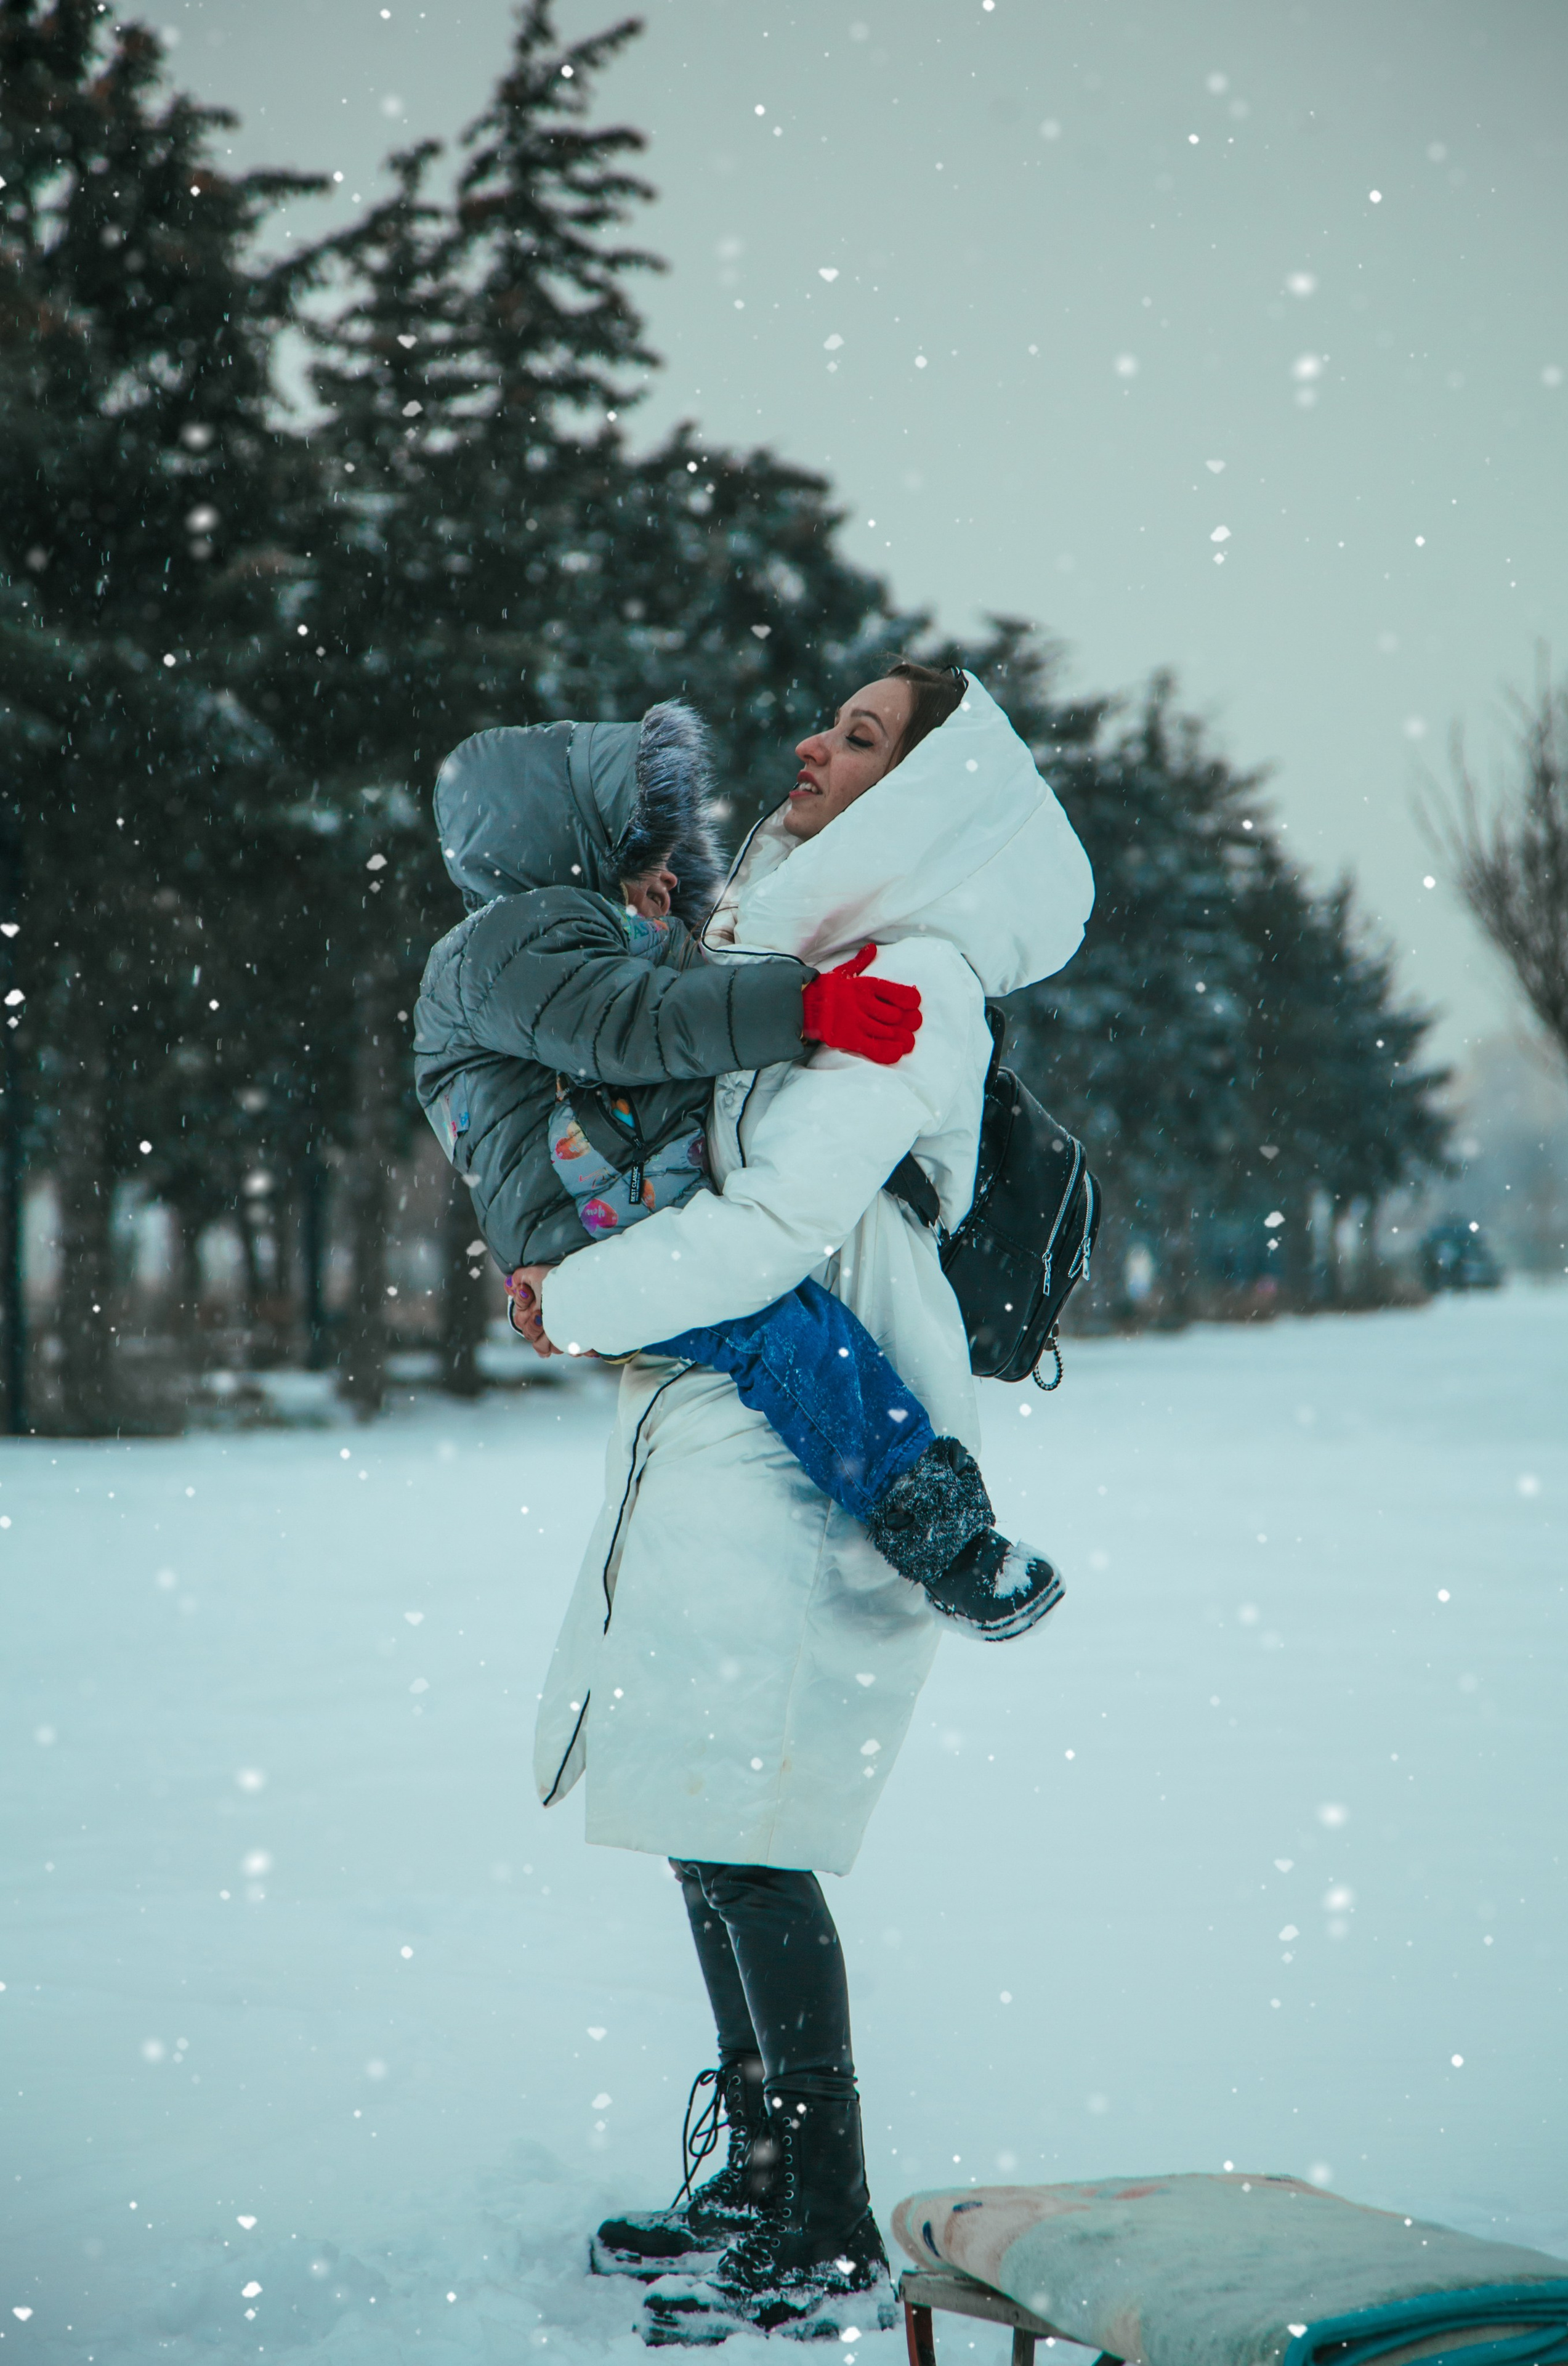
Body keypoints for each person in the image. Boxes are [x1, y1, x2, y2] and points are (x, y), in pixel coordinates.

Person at [517, 662, 1096, 2343]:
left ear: (929, 790)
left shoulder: (909, 971)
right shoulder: (787, 961)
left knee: (752, 1828)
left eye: (857, 736)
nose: (809, 748)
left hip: (814, 1428)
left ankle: (823, 2209)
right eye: (828, 724)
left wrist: (585, 1296)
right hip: (737, 1421)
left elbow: (774, 1233)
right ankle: (764, 2176)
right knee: (711, 1816)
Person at [413, 699, 1062, 1637]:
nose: (668, 879)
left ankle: (932, 1511)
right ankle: (937, 1528)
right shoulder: (508, 943)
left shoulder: (571, 939)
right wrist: (807, 1009)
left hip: (622, 1218)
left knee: (777, 1324)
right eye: (643, 856)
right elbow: (638, 1023)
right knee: (773, 1329)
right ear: (567, 848)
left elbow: (675, 1011)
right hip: (596, 1228)